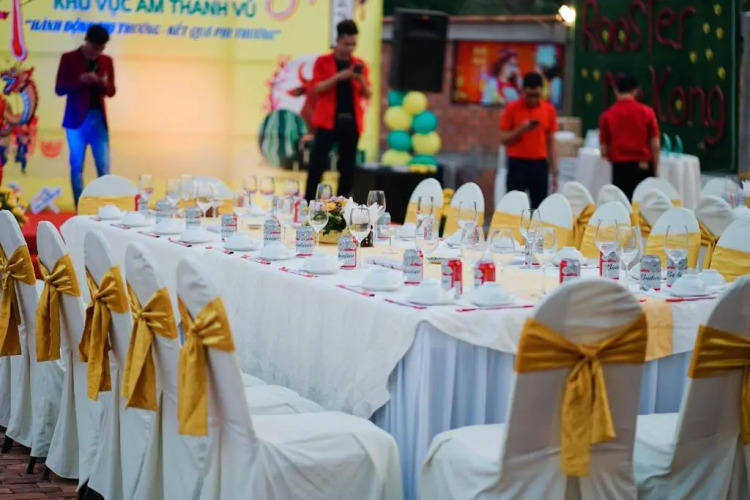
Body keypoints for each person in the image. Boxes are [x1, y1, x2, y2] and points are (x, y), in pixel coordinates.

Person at [305, 19, 371, 201]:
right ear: (337, 41)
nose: (350, 48)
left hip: (351, 122)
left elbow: (368, 93)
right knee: (317, 164)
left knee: (347, 168)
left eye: (353, 44)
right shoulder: (323, 61)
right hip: (327, 121)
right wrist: (339, 77)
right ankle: (310, 203)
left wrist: (359, 78)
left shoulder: (359, 64)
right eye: (346, 44)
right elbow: (317, 88)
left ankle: (342, 205)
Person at [55, 24, 116, 208]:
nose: (97, 52)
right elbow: (60, 89)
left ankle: (105, 210)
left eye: (101, 48)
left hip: (98, 119)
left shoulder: (106, 61)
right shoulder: (69, 58)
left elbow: (112, 91)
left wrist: (103, 84)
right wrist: (80, 80)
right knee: (76, 167)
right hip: (76, 120)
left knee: (104, 167)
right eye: (95, 47)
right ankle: (80, 209)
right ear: (86, 41)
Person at [498, 72, 558, 208]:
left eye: (536, 96)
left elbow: (551, 142)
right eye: (529, 96)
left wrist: (555, 172)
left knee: (539, 208)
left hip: (539, 164)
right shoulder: (511, 109)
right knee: (513, 207)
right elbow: (503, 139)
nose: (533, 100)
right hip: (517, 163)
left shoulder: (549, 110)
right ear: (523, 91)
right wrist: (521, 128)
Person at [599, 74, 660, 200]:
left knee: (622, 206)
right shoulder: (648, 112)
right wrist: (655, 169)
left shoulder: (607, 116)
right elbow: (656, 145)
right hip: (643, 167)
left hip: (620, 169)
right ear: (636, 90)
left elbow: (604, 151)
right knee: (643, 206)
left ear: (616, 91)